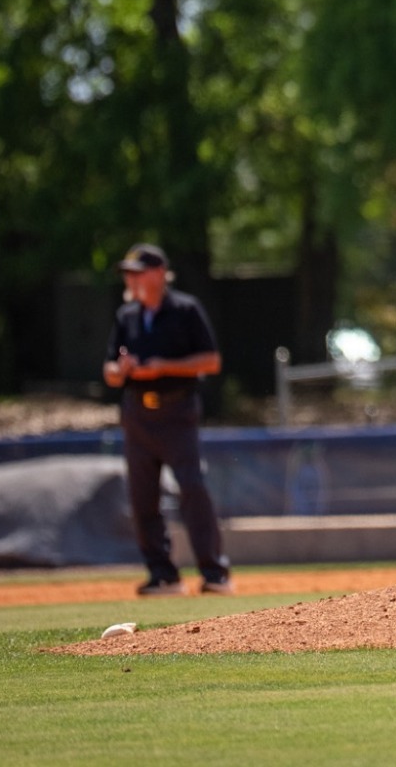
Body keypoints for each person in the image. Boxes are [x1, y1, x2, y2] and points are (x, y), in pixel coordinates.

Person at [101, 243, 231, 596]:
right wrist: (122, 370)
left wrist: (164, 366)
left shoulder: (185, 309)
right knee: (143, 496)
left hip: (177, 410)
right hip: (137, 412)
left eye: (138, 271)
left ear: (159, 273)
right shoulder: (126, 315)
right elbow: (110, 371)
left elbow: (211, 361)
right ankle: (163, 575)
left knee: (192, 487)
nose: (131, 278)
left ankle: (214, 572)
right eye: (128, 273)